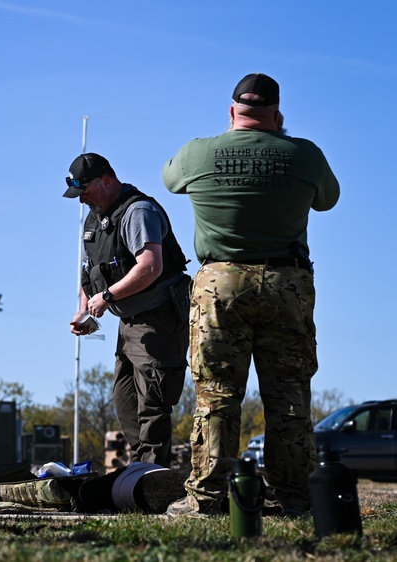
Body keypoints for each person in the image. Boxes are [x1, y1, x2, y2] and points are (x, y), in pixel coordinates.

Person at [162, 73, 339, 517]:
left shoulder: (197, 152)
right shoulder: (305, 155)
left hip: (219, 286)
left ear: (232, 110)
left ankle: (206, 498)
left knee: (217, 395)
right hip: (287, 284)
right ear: (277, 113)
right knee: (290, 395)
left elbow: (170, 181)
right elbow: (328, 200)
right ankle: (293, 498)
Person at [64, 153, 190, 468]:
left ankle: (152, 477)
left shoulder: (138, 212)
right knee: (125, 402)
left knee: (153, 404)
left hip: (158, 318)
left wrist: (107, 296)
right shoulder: (94, 219)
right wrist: (84, 310)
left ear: (106, 180)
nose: (82, 200)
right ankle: (141, 470)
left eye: (85, 191)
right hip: (128, 324)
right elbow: (89, 273)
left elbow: (150, 267)